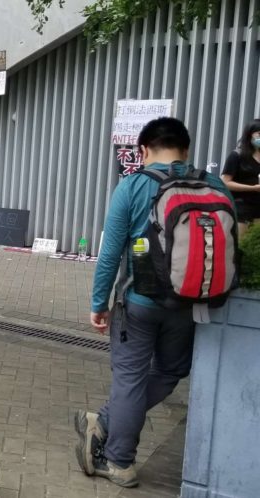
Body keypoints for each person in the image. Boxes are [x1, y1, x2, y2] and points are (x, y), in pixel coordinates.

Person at [80, 117, 234, 488]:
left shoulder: (132, 186)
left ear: (143, 150)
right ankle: (105, 424)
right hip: (192, 303)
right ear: (186, 149)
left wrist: (99, 302)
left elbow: (110, 254)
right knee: (168, 373)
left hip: (139, 302)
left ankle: (118, 459)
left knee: (130, 380)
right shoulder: (214, 186)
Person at [220, 119, 260, 235]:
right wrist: (253, 188)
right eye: (259, 134)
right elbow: (226, 182)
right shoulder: (237, 156)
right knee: (241, 245)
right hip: (241, 208)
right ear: (249, 135)